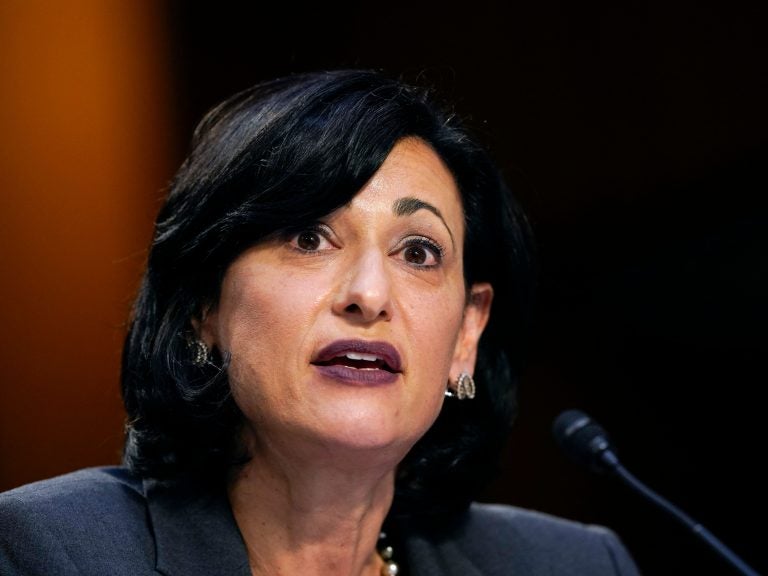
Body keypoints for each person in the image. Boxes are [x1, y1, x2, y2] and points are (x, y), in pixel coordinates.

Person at [0, 69, 641, 575]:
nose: (367, 294)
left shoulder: (575, 565)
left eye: (418, 251)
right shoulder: (47, 552)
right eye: (309, 238)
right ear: (205, 307)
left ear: (467, 334)